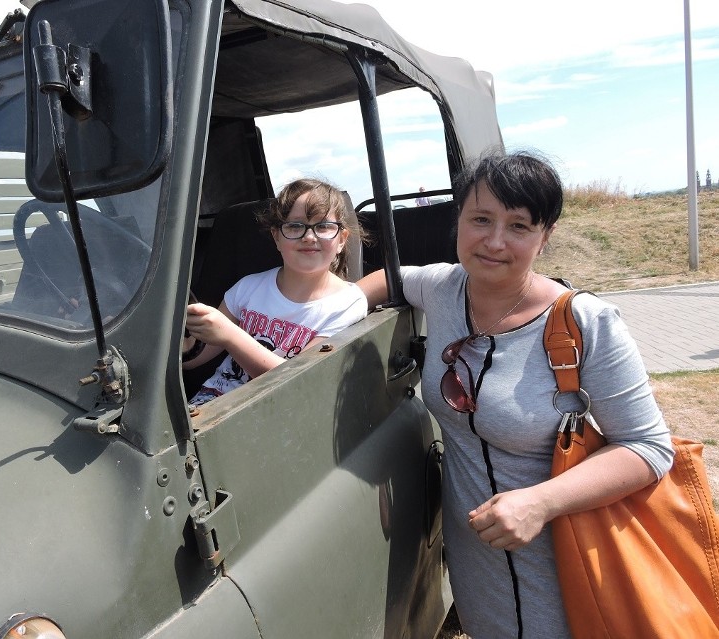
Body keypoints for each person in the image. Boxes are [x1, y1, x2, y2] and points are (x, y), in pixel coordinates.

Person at [356, 151, 674, 638]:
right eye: (480, 219)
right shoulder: (443, 287)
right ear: (457, 219)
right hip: (476, 568)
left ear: (544, 237)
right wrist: (313, 328)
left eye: (519, 226)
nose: (495, 241)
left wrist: (541, 502)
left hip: (564, 565)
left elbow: (649, 448)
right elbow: (384, 280)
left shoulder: (586, 323)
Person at [183, 178, 368, 406]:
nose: (309, 236)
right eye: (295, 226)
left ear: (341, 239)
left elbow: (297, 382)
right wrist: (183, 343)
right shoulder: (248, 287)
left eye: (323, 226)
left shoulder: (347, 303)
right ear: (276, 237)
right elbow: (194, 358)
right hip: (210, 407)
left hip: (278, 416)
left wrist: (230, 336)